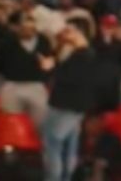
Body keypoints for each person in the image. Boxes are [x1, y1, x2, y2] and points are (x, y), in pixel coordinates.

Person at [41, 26, 106, 181]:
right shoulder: (81, 54)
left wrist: (51, 68)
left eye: (69, 31)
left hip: (66, 105)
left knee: (53, 144)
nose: (65, 35)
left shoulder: (83, 56)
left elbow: (68, 77)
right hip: (73, 106)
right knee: (69, 146)